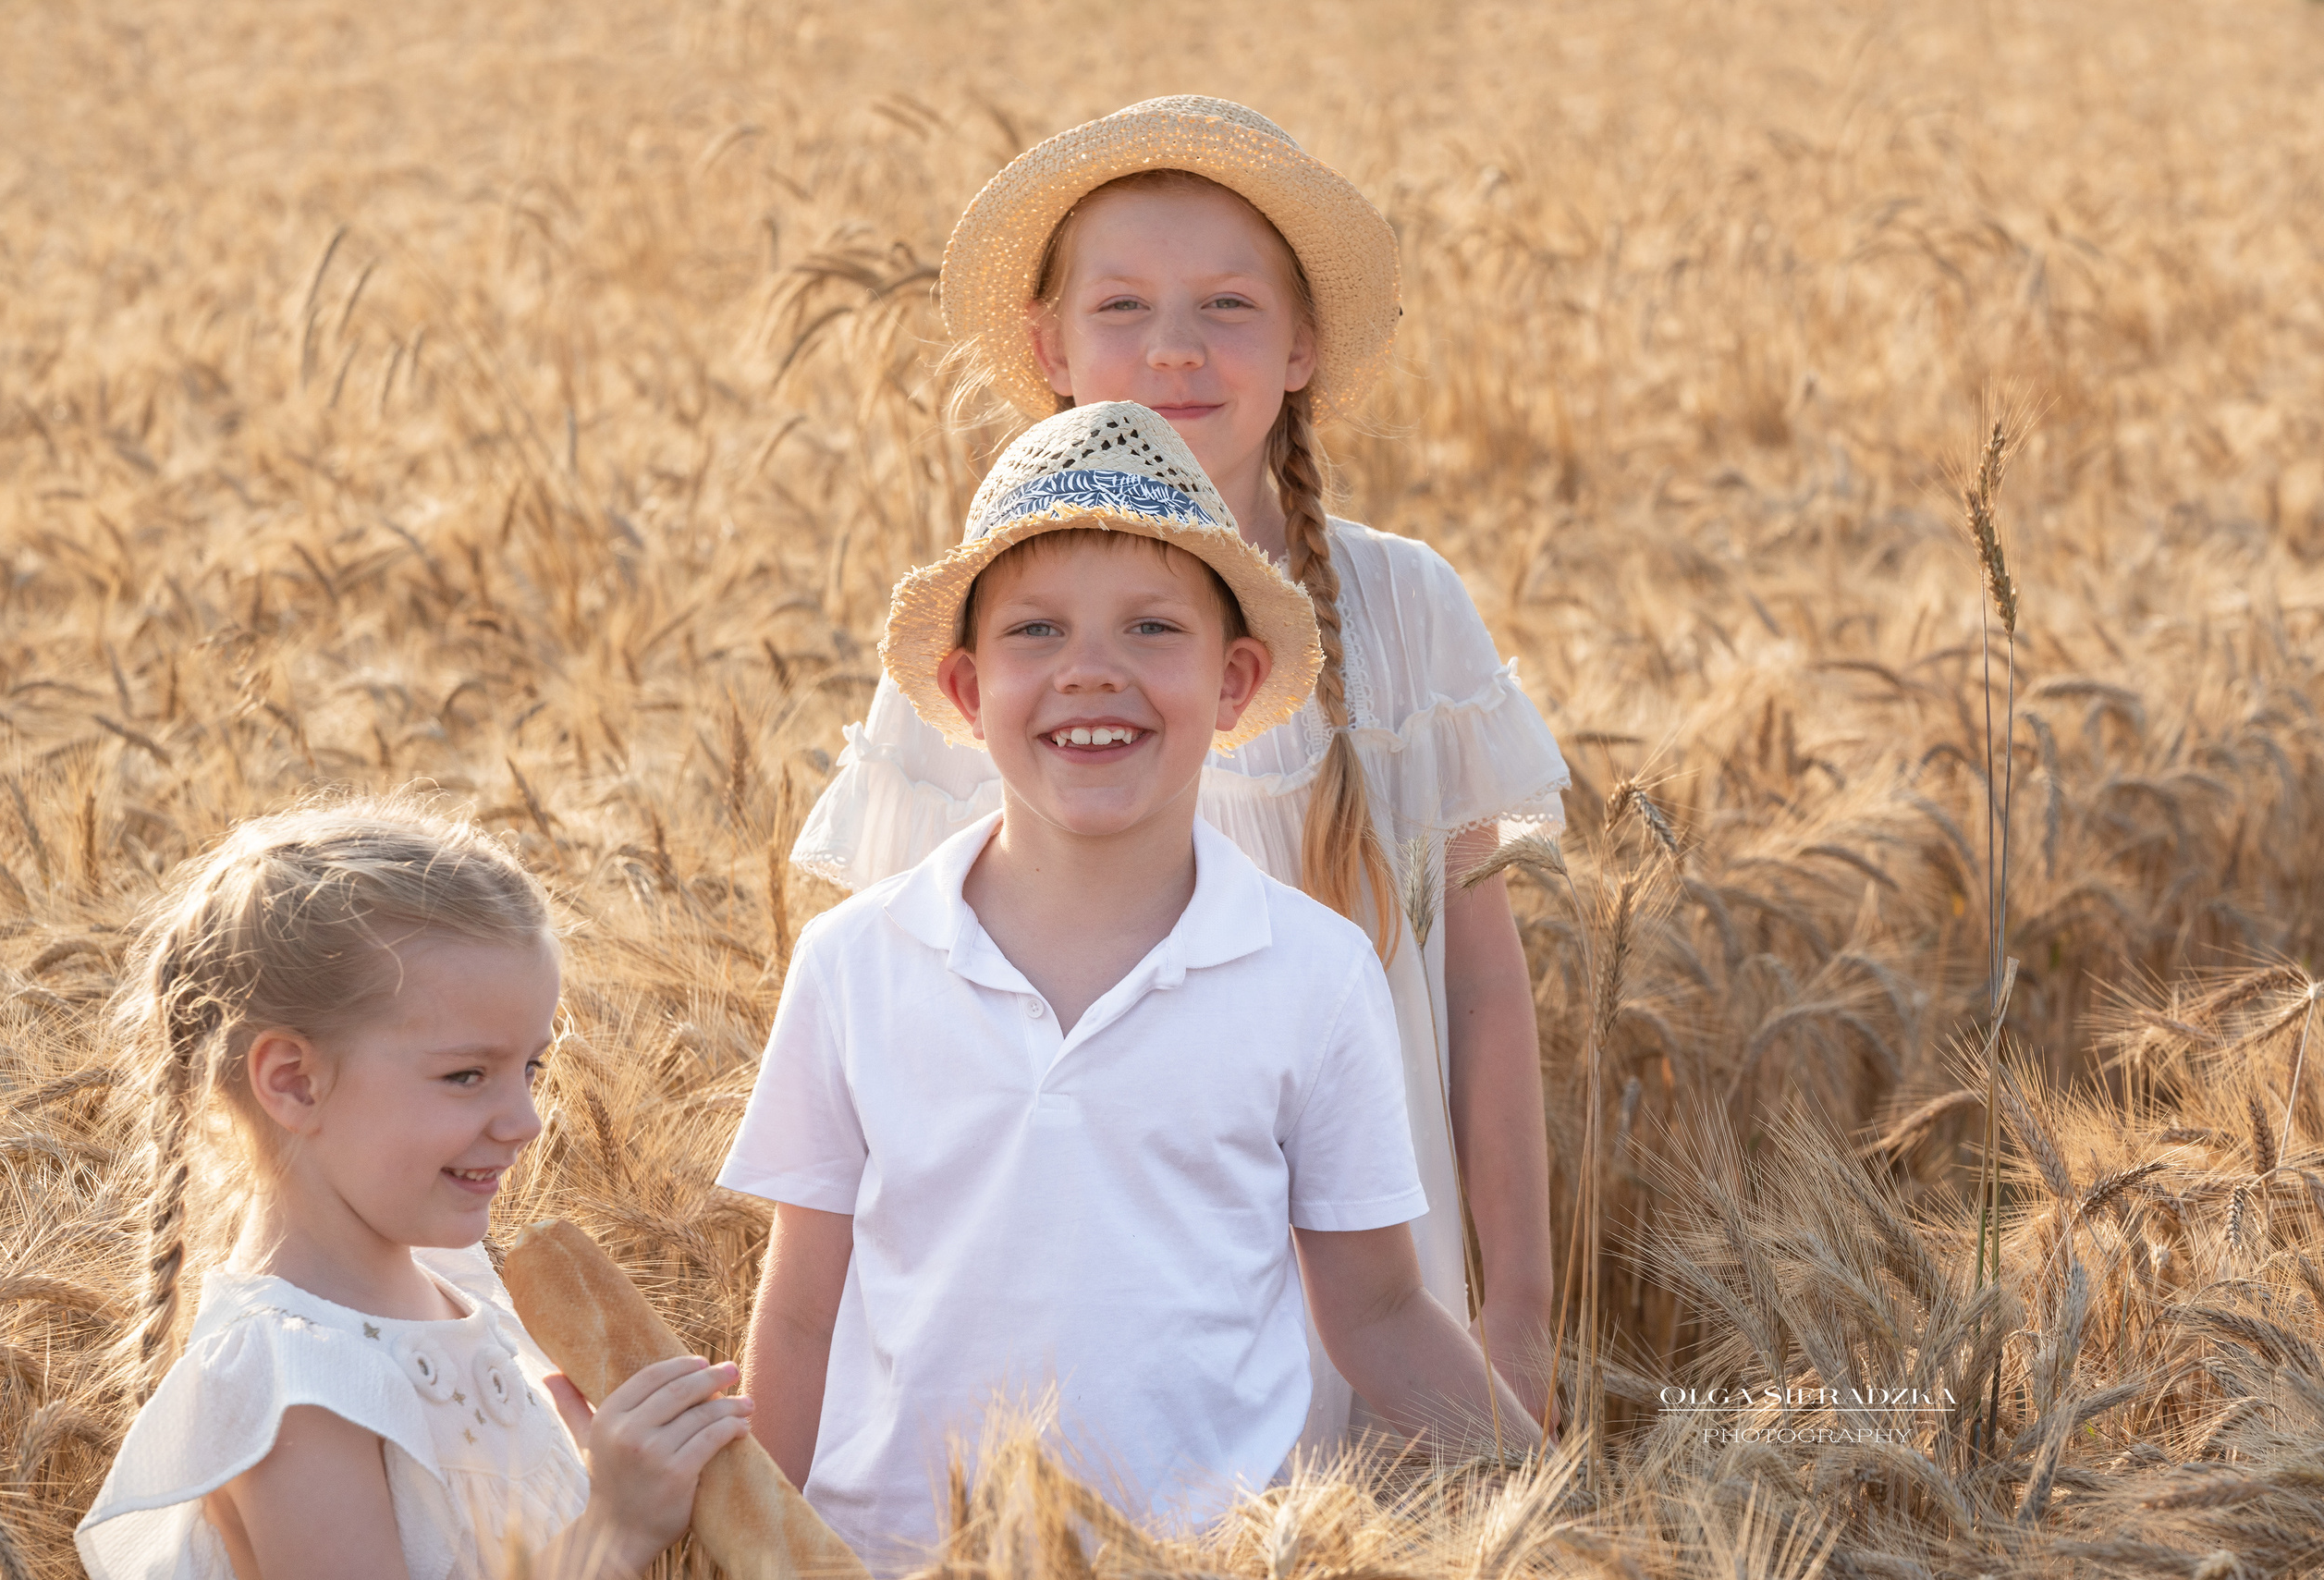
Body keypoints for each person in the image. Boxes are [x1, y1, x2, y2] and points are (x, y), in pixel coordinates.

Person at [792, 96, 1572, 1445]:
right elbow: (891, 1032)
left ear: (1305, 343)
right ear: (1047, 344)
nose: (1172, 348)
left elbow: (1484, 985)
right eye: (1121, 308)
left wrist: (1517, 1314)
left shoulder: (1399, 608)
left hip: (1378, 1292)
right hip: (1088, 1301)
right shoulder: (995, 642)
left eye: (1225, 304)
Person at [727, 402, 1542, 1573]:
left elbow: (1377, 1312)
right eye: (1037, 631)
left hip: (1197, 1554)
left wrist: (1552, 1513)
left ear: (1233, 678)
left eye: (1153, 627)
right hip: (898, 1553)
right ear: (964, 689)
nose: (1090, 672)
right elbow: (802, 1308)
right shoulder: (857, 961)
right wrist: (746, 1543)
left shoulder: (1313, 973)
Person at [77, 800, 755, 1580]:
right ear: (295, 1082)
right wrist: (615, 1527)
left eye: (530, 1068)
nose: (527, 1120)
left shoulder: (459, 1287)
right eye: (466, 1074)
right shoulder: (296, 1387)